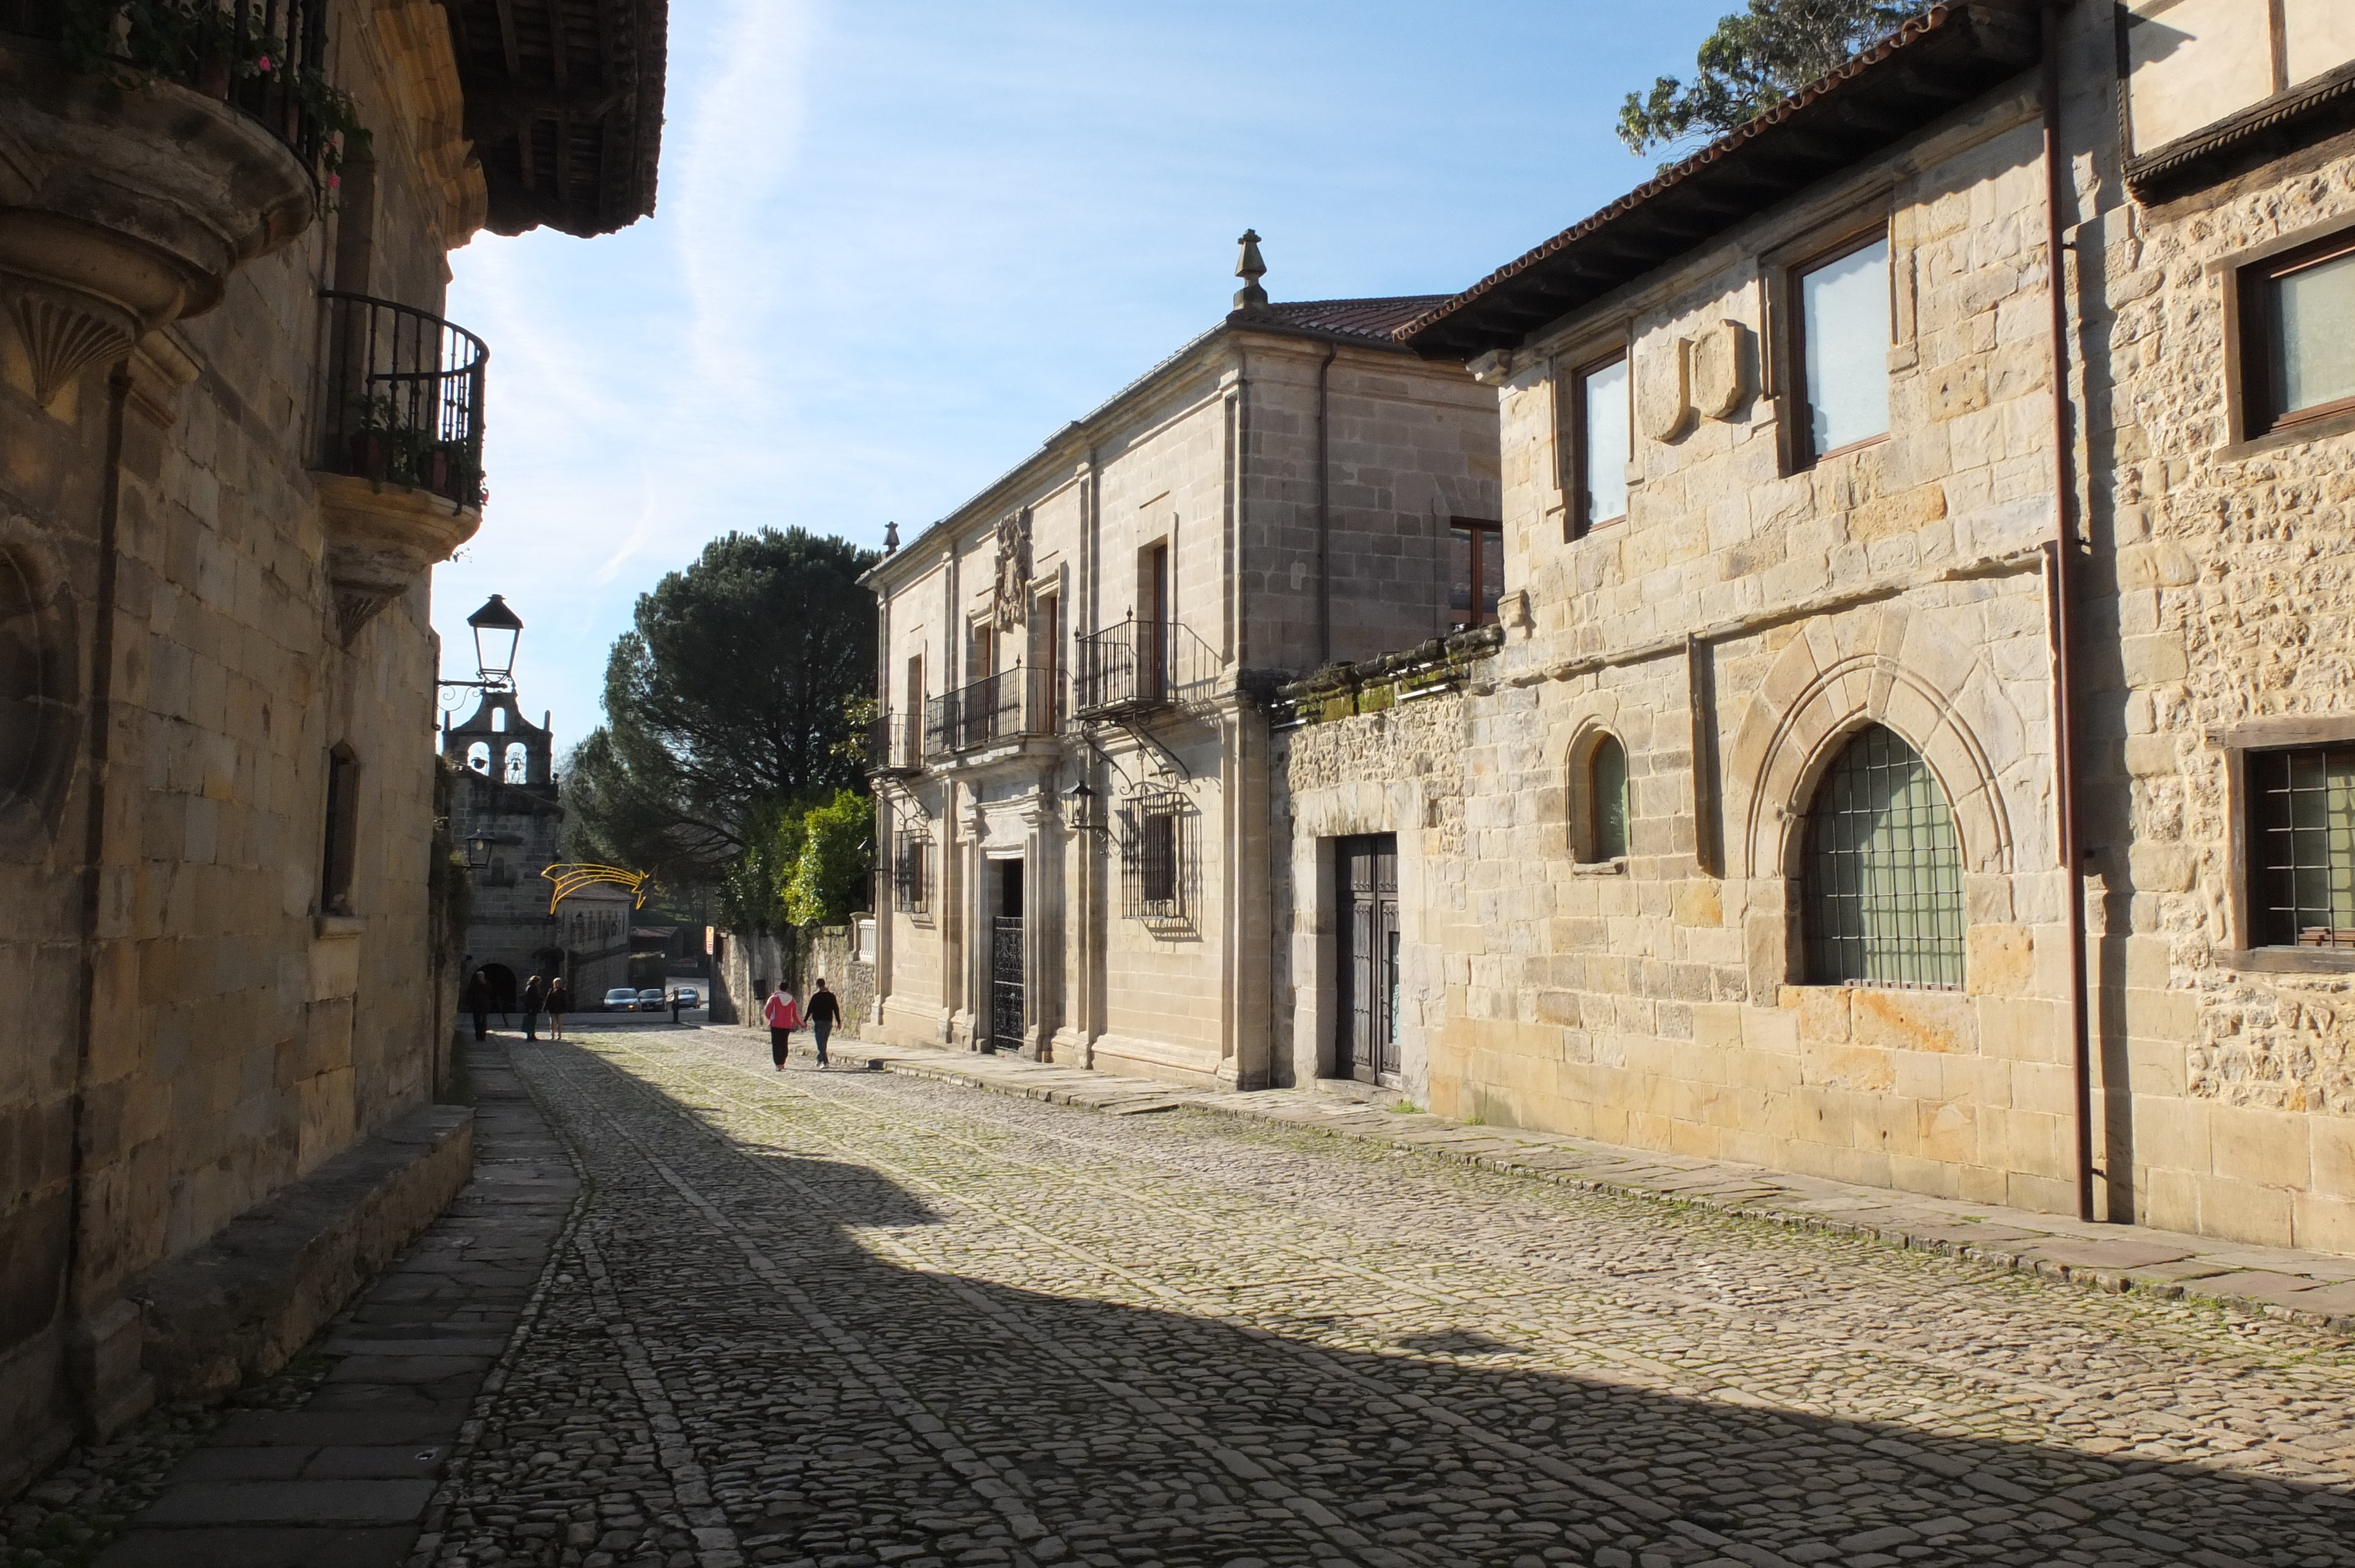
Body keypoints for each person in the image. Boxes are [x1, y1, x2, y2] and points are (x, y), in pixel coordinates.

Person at [804, 978, 841, 1069]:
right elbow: (836, 1009)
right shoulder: (831, 996)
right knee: (824, 1042)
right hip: (828, 1022)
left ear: (817, 985)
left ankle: (826, 1062)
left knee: (821, 1043)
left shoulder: (815, 997)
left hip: (818, 1022)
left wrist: (804, 1021)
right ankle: (819, 1059)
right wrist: (839, 1021)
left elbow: (810, 1010)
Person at [761, 986, 801, 1070]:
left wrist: (770, 1018)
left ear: (779, 988)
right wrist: (802, 1024)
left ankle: (778, 1063)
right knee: (784, 1043)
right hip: (787, 1025)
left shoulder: (774, 998)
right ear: (787, 989)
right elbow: (795, 1014)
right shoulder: (792, 1000)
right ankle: (783, 1062)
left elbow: (767, 1010)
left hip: (775, 1024)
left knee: (776, 1044)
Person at [463, 969, 492, 1042]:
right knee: (477, 1021)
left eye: (481, 976)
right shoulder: (474, 985)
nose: (480, 978)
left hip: (484, 1006)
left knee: (483, 1021)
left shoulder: (487, 983)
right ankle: (478, 1036)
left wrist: (484, 983)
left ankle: (483, 1036)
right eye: (479, 976)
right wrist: (468, 1004)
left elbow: (490, 991)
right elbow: (470, 994)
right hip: (476, 1006)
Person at [522, 972, 548, 1041]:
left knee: (533, 1021)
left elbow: (536, 996)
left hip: (534, 1007)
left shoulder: (532, 987)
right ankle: (529, 1036)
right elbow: (531, 998)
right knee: (530, 1021)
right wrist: (531, 1007)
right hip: (532, 1007)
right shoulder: (531, 988)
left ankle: (532, 1035)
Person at [545, 976, 569, 1041]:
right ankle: (552, 1035)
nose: (557, 984)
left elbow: (565, 1001)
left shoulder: (563, 991)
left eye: (558, 983)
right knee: (553, 1024)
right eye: (556, 983)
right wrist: (545, 1008)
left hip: (560, 1010)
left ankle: (560, 1035)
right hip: (552, 1010)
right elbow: (548, 1000)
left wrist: (566, 1008)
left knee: (560, 1023)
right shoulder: (551, 991)